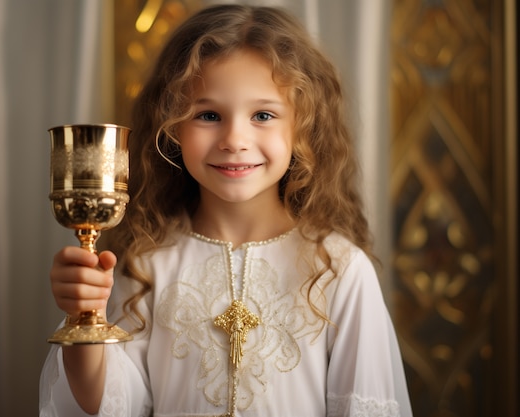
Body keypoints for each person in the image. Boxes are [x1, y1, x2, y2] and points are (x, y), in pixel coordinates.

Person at [39, 4, 412, 417]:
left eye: (263, 115)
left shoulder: (339, 270)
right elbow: (107, 405)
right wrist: (84, 317)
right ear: (172, 127)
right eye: (209, 115)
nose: (235, 139)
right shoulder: (146, 266)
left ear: (303, 126)